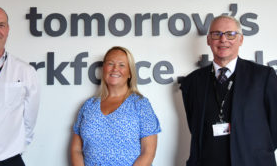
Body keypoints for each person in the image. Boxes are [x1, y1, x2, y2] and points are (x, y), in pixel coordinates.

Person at [180, 15, 277, 166]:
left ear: (241, 39)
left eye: (230, 34)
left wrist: (257, 152)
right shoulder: (192, 82)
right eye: (216, 34)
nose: (223, 39)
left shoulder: (263, 77)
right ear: (208, 40)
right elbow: (194, 127)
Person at [71, 46, 161, 166]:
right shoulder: (88, 106)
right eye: (110, 64)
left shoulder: (140, 105)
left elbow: (148, 152)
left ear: (130, 73)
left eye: (122, 65)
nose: (115, 69)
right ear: (103, 69)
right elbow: (76, 150)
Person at [0, 5, 40, 166]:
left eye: (1, 25)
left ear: (8, 29)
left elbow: (29, 120)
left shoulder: (25, 71)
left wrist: (16, 146)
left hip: (9, 161)